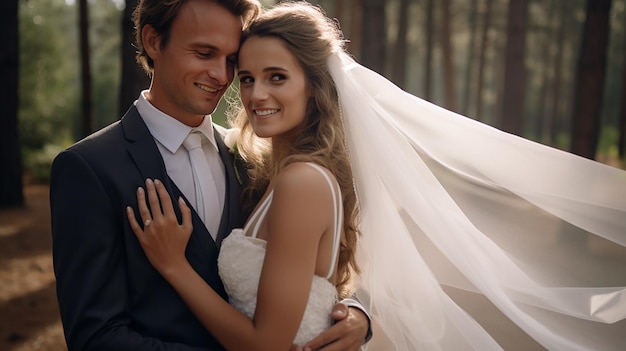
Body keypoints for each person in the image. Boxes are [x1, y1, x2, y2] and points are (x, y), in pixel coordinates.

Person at [127, 1, 626, 350]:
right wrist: (358, 316)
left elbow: (267, 344)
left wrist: (175, 268)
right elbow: (317, 285)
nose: (256, 94)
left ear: (314, 86)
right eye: (249, 77)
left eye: (277, 77)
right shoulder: (269, 170)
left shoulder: (303, 181)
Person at [49, 0, 370, 350]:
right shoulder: (90, 168)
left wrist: (354, 314)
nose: (221, 76)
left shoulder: (251, 160)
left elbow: (317, 266)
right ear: (154, 42)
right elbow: (96, 338)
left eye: (232, 61)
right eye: (204, 53)